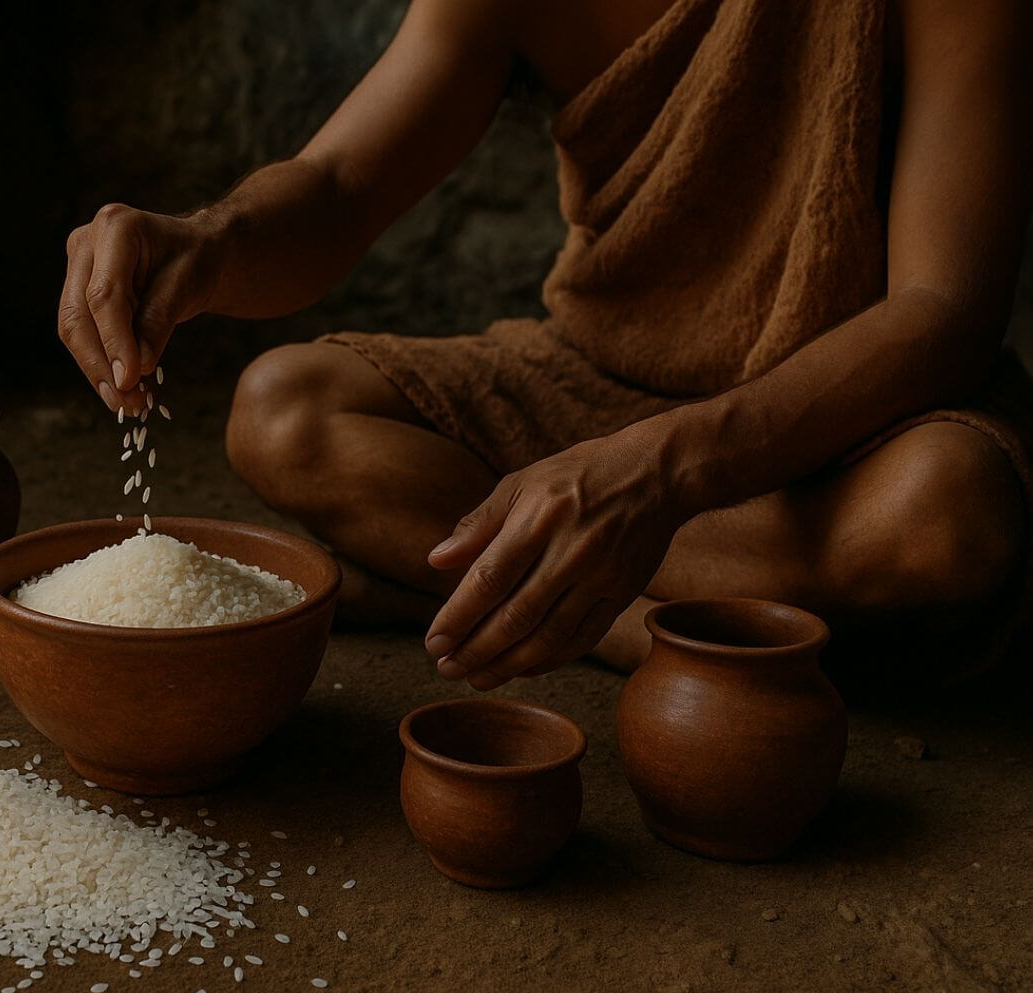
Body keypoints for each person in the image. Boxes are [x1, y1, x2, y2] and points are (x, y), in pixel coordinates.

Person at [56, 0, 1032, 689]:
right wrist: (206, 241)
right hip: (595, 381)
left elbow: (942, 308)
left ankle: (461, 582)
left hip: (841, 420)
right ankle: (618, 625)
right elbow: (340, 186)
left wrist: (657, 474)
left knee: (945, 514)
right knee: (285, 412)